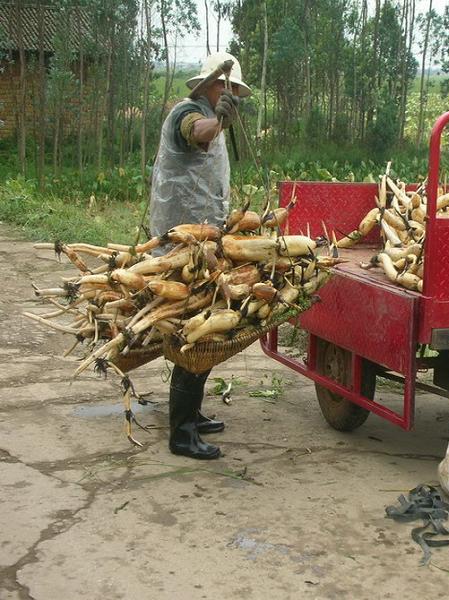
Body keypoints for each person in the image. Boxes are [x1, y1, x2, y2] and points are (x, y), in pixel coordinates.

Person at [149, 51, 251, 460]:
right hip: (182, 243)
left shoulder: (212, 118)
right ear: (209, 84)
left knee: (203, 326)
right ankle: (182, 432)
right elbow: (198, 131)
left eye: (233, 90)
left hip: (205, 238)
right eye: (224, 87)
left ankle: (191, 411)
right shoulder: (186, 114)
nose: (228, 94)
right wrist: (219, 120)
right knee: (194, 331)